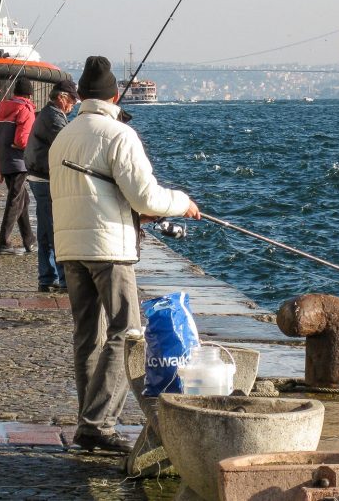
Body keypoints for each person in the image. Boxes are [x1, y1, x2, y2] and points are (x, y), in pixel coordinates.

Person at [48, 56, 201, 453]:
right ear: (116, 96)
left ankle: (88, 419)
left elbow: (94, 193)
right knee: (127, 331)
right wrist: (182, 202)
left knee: (87, 336)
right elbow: (145, 195)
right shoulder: (119, 135)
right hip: (108, 248)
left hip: (70, 246)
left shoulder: (63, 135)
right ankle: (97, 425)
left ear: (79, 96)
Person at [24, 80, 78, 292]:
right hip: (46, 179)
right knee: (57, 229)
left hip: (38, 177)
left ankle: (47, 277)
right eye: (72, 100)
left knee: (46, 230)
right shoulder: (54, 118)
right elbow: (68, 146)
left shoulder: (48, 114)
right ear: (61, 97)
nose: (74, 104)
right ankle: (64, 279)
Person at [0, 77, 36, 255]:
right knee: (15, 201)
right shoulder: (25, 109)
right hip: (19, 162)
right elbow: (22, 140)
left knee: (22, 200)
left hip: (4, 161)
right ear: (29, 95)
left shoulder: (2, 108)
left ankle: (29, 239)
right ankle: (4, 242)